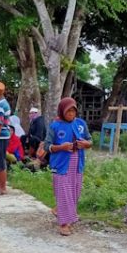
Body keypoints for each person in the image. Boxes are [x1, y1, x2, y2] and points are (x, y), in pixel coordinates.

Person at [44, 97, 92, 236]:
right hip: (61, 164)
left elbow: (89, 140)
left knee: (74, 191)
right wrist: (61, 147)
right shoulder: (55, 126)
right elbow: (47, 146)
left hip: (77, 163)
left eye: (73, 111)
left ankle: (61, 210)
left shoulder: (81, 124)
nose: (71, 114)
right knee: (64, 192)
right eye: (68, 111)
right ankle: (64, 224)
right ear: (62, 111)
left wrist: (86, 144)